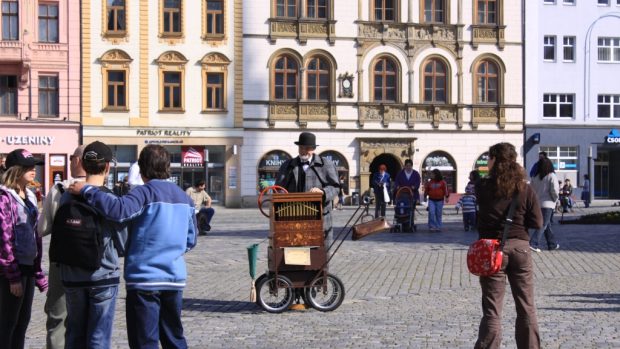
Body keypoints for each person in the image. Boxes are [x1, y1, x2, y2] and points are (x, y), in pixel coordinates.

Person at [68, 144, 197, 349]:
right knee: (174, 337)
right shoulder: (185, 199)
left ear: (142, 169)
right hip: (174, 279)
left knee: (144, 341)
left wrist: (87, 190)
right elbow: (191, 240)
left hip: (144, 279)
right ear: (167, 167)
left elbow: (117, 210)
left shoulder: (143, 194)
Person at [58, 141, 128, 349]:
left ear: (83, 165)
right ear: (107, 166)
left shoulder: (66, 196)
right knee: (98, 337)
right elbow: (123, 242)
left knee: (74, 336)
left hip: (71, 276)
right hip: (103, 276)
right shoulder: (109, 198)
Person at [474, 142, 543, 349]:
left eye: (489, 158)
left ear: (496, 160)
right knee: (526, 306)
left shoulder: (482, 187)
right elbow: (538, 222)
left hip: (492, 250)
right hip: (521, 248)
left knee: (492, 310)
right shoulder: (525, 189)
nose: (487, 161)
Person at [38, 145, 86, 349]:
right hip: (92, 266)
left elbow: (42, 229)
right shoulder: (104, 192)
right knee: (88, 322)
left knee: (58, 320)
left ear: (77, 160)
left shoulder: (58, 189)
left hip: (61, 263)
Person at [0, 149, 48, 349]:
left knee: (22, 323)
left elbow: (35, 237)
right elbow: (4, 239)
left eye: (34, 166)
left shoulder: (28, 195)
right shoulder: (5, 197)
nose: (33, 170)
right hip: (11, 269)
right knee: (7, 324)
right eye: (28, 167)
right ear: (15, 170)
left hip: (27, 267)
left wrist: (38, 273)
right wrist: (13, 276)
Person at [276, 132, 340, 242]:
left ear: (314, 148)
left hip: (320, 217)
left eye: (307, 148)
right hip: (294, 218)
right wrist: (282, 198)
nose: (303, 151)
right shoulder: (287, 165)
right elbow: (278, 188)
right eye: (301, 148)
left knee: (320, 253)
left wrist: (323, 192)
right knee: (297, 252)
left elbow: (335, 187)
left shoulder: (326, 164)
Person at [529, 158, 561, 252]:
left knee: (547, 224)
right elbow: (554, 190)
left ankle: (552, 244)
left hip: (538, 204)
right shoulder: (551, 176)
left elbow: (531, 190)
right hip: (548, 204)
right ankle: (533, 243)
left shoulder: (535, 177)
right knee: (543, 224)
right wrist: (556, 200)